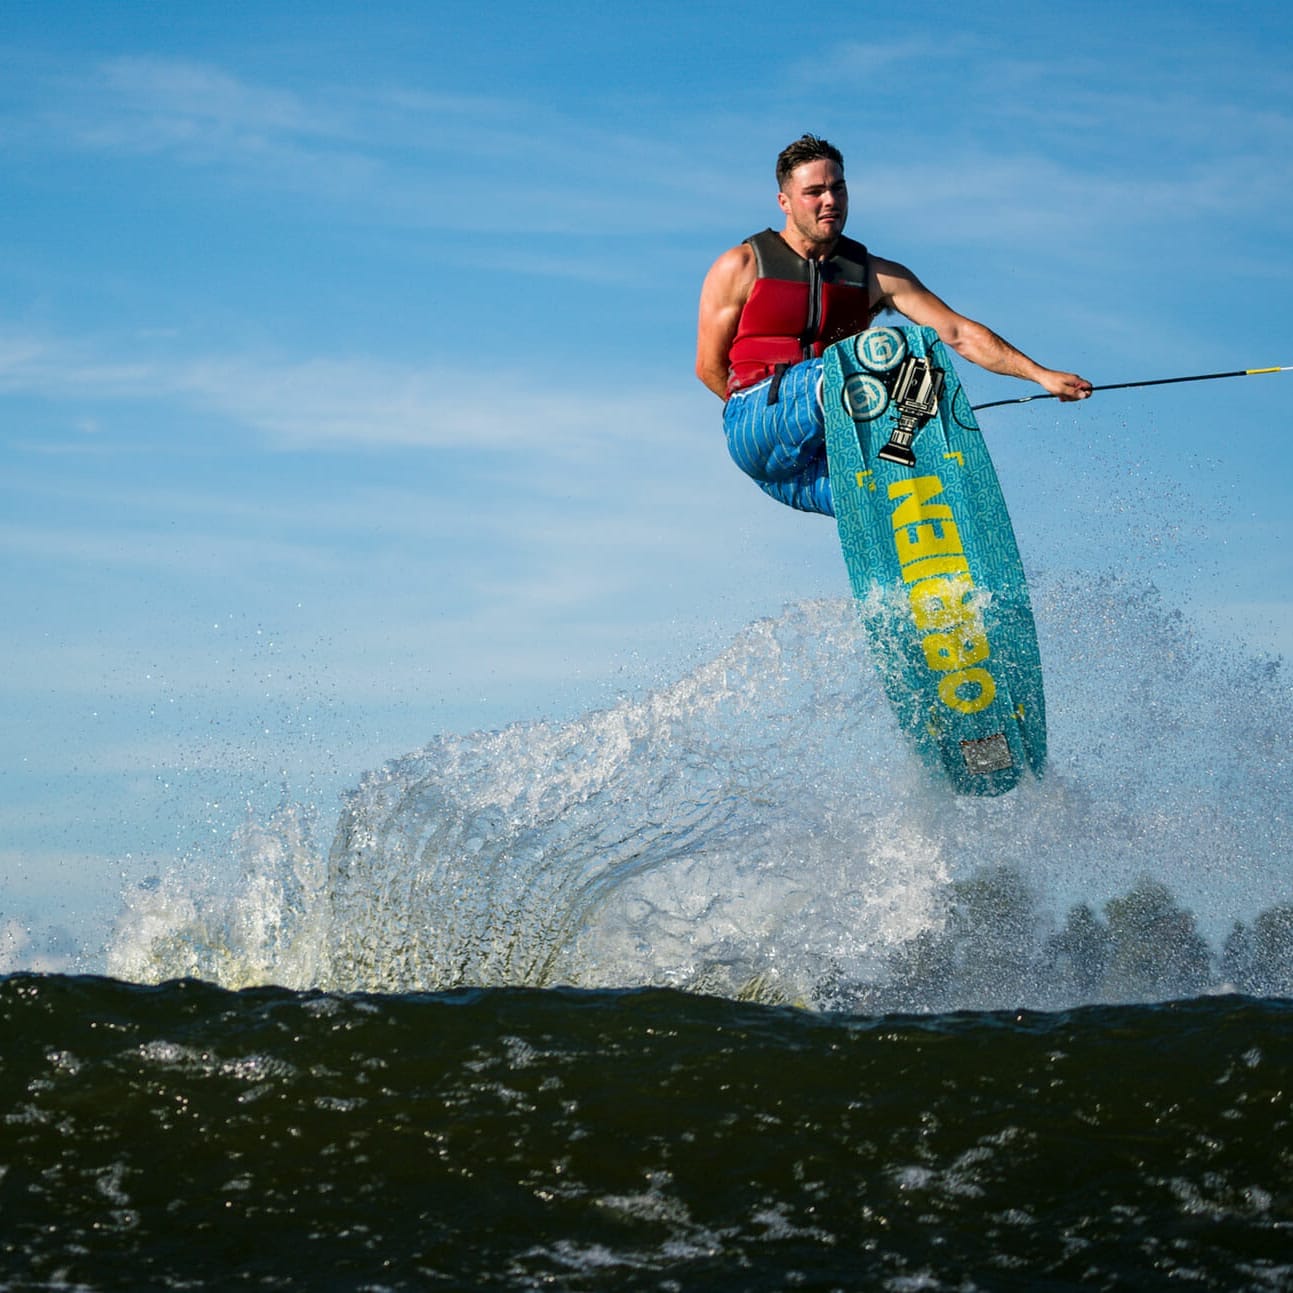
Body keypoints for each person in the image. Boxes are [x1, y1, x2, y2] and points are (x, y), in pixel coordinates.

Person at [696, 134, 1093, 515]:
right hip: (756, 422)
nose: (830, 200)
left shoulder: (875, 276)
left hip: (818, 450)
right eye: (814, 192)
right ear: (784, 201)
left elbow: (958, 333)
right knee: (877, 357)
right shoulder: (742, 265)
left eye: (838, 188)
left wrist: (1041, 376)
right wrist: (768, 417)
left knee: (903, 495)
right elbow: (708, 368)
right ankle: (838, 400)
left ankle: (932, 575)